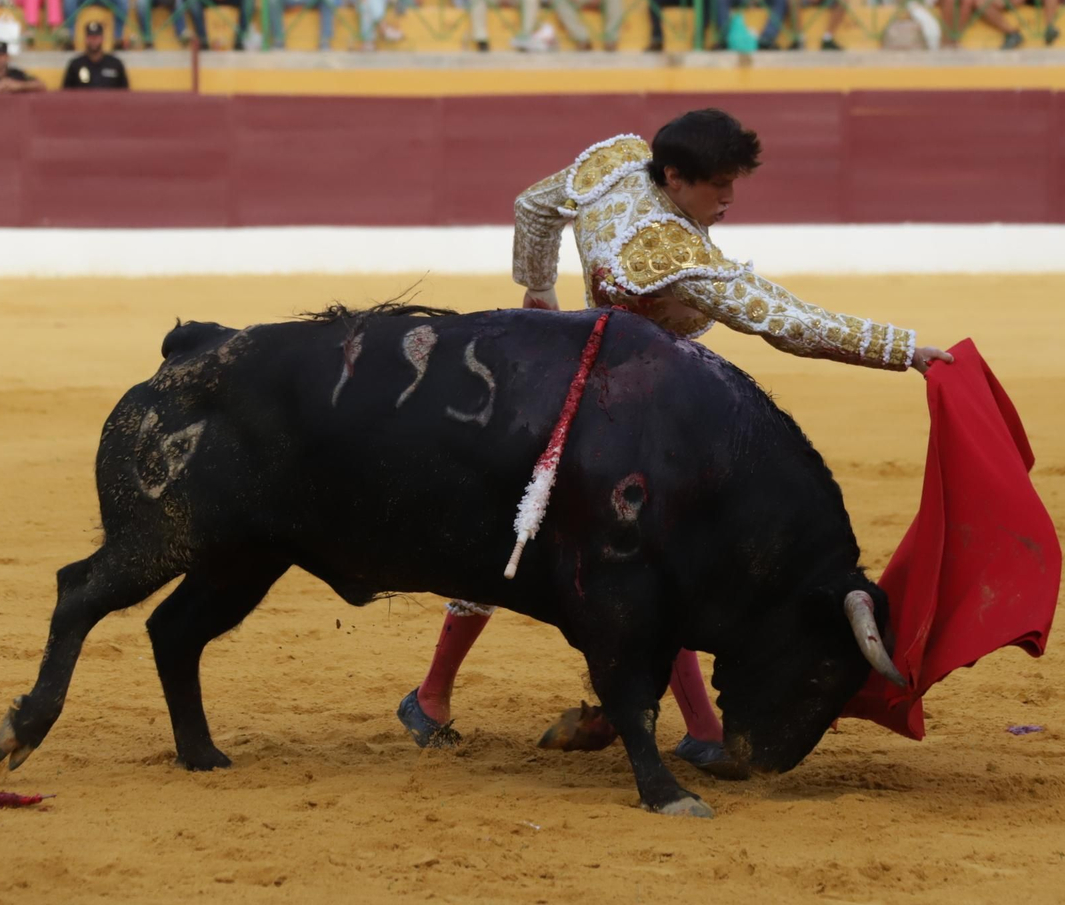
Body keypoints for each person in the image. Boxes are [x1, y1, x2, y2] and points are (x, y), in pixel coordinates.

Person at [396, 109, 954, 771]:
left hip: (582, 383)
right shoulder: (675, 256)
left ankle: (442, 697)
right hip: (635, 410)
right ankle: (686, 724)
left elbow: (534, 208)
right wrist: (902, 351)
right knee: (644, 549)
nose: (730, 198)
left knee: (543, 533)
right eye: (718, 184)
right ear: (675, 177)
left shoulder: (614, 165)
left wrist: (539, 291)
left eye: (733, 181)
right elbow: (789, 322)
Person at [62, 17, 129, 85]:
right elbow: (66, 90)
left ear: (102, 38)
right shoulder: (75, 65)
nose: (94, 41)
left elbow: (125, 90)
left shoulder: (115, 64)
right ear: (86, 39)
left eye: (96, 37)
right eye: (91, 37)